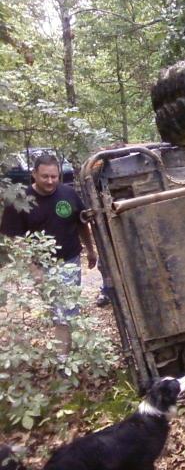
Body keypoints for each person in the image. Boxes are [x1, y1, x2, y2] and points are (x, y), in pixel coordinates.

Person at [0, 154, 97, 360]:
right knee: (60, 313)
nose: (51, 181)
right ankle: (63, 360)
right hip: (43, 266)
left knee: (69, 309)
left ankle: (69, 353)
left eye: (54, 176)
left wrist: (90, 250)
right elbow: (14, 240)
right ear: (34, 174)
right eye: (45, 176)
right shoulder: (20, 200)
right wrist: (34, 271)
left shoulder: (68, 193)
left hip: (70, 261)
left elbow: (81, 223)